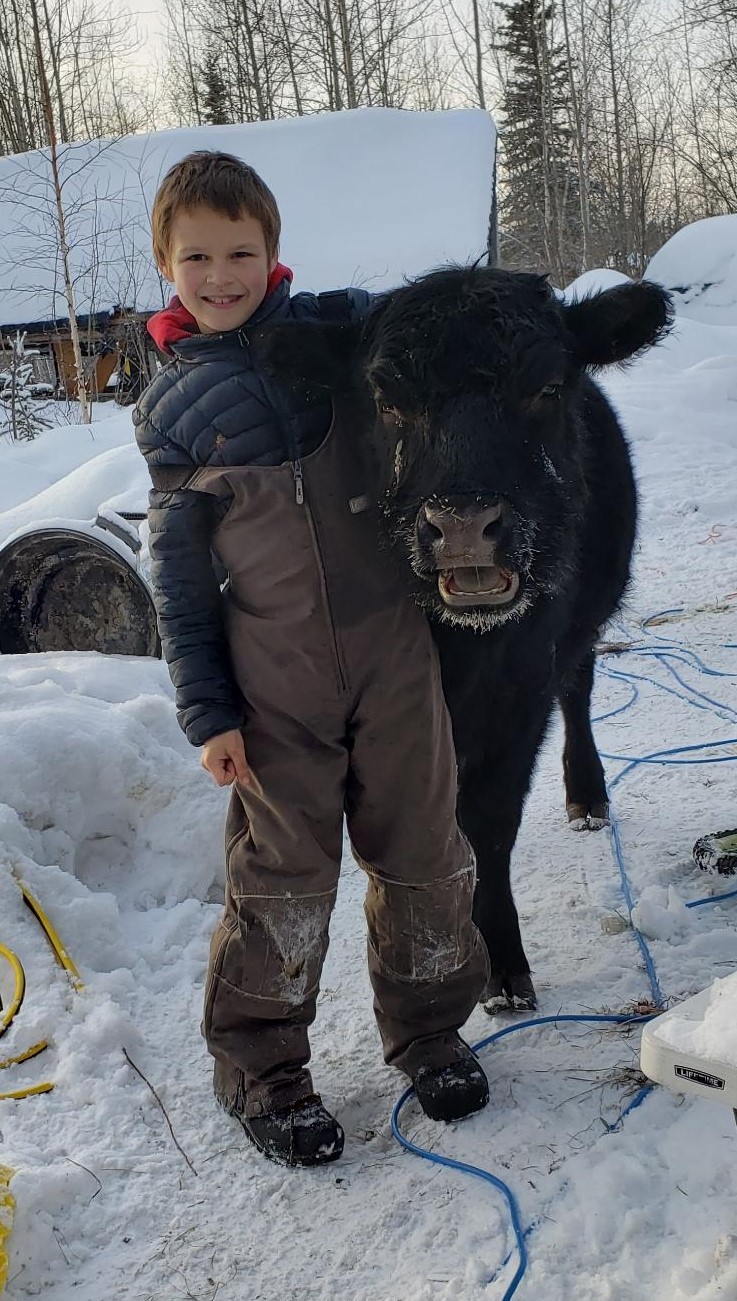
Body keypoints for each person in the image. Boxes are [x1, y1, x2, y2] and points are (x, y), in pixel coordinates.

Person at [134, 150, 490, 1168]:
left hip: (391, 654)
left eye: (240, 250)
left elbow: (425, 334)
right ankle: (259, 1065)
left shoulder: (338, 335)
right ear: (167, 264)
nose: (220, 275)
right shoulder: (171, 412)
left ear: (272, 252)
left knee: (423, 849)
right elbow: (179, 580)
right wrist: (209, 713)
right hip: (272, 680)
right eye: (196, 255)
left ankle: (426, 1028)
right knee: (280, 877)